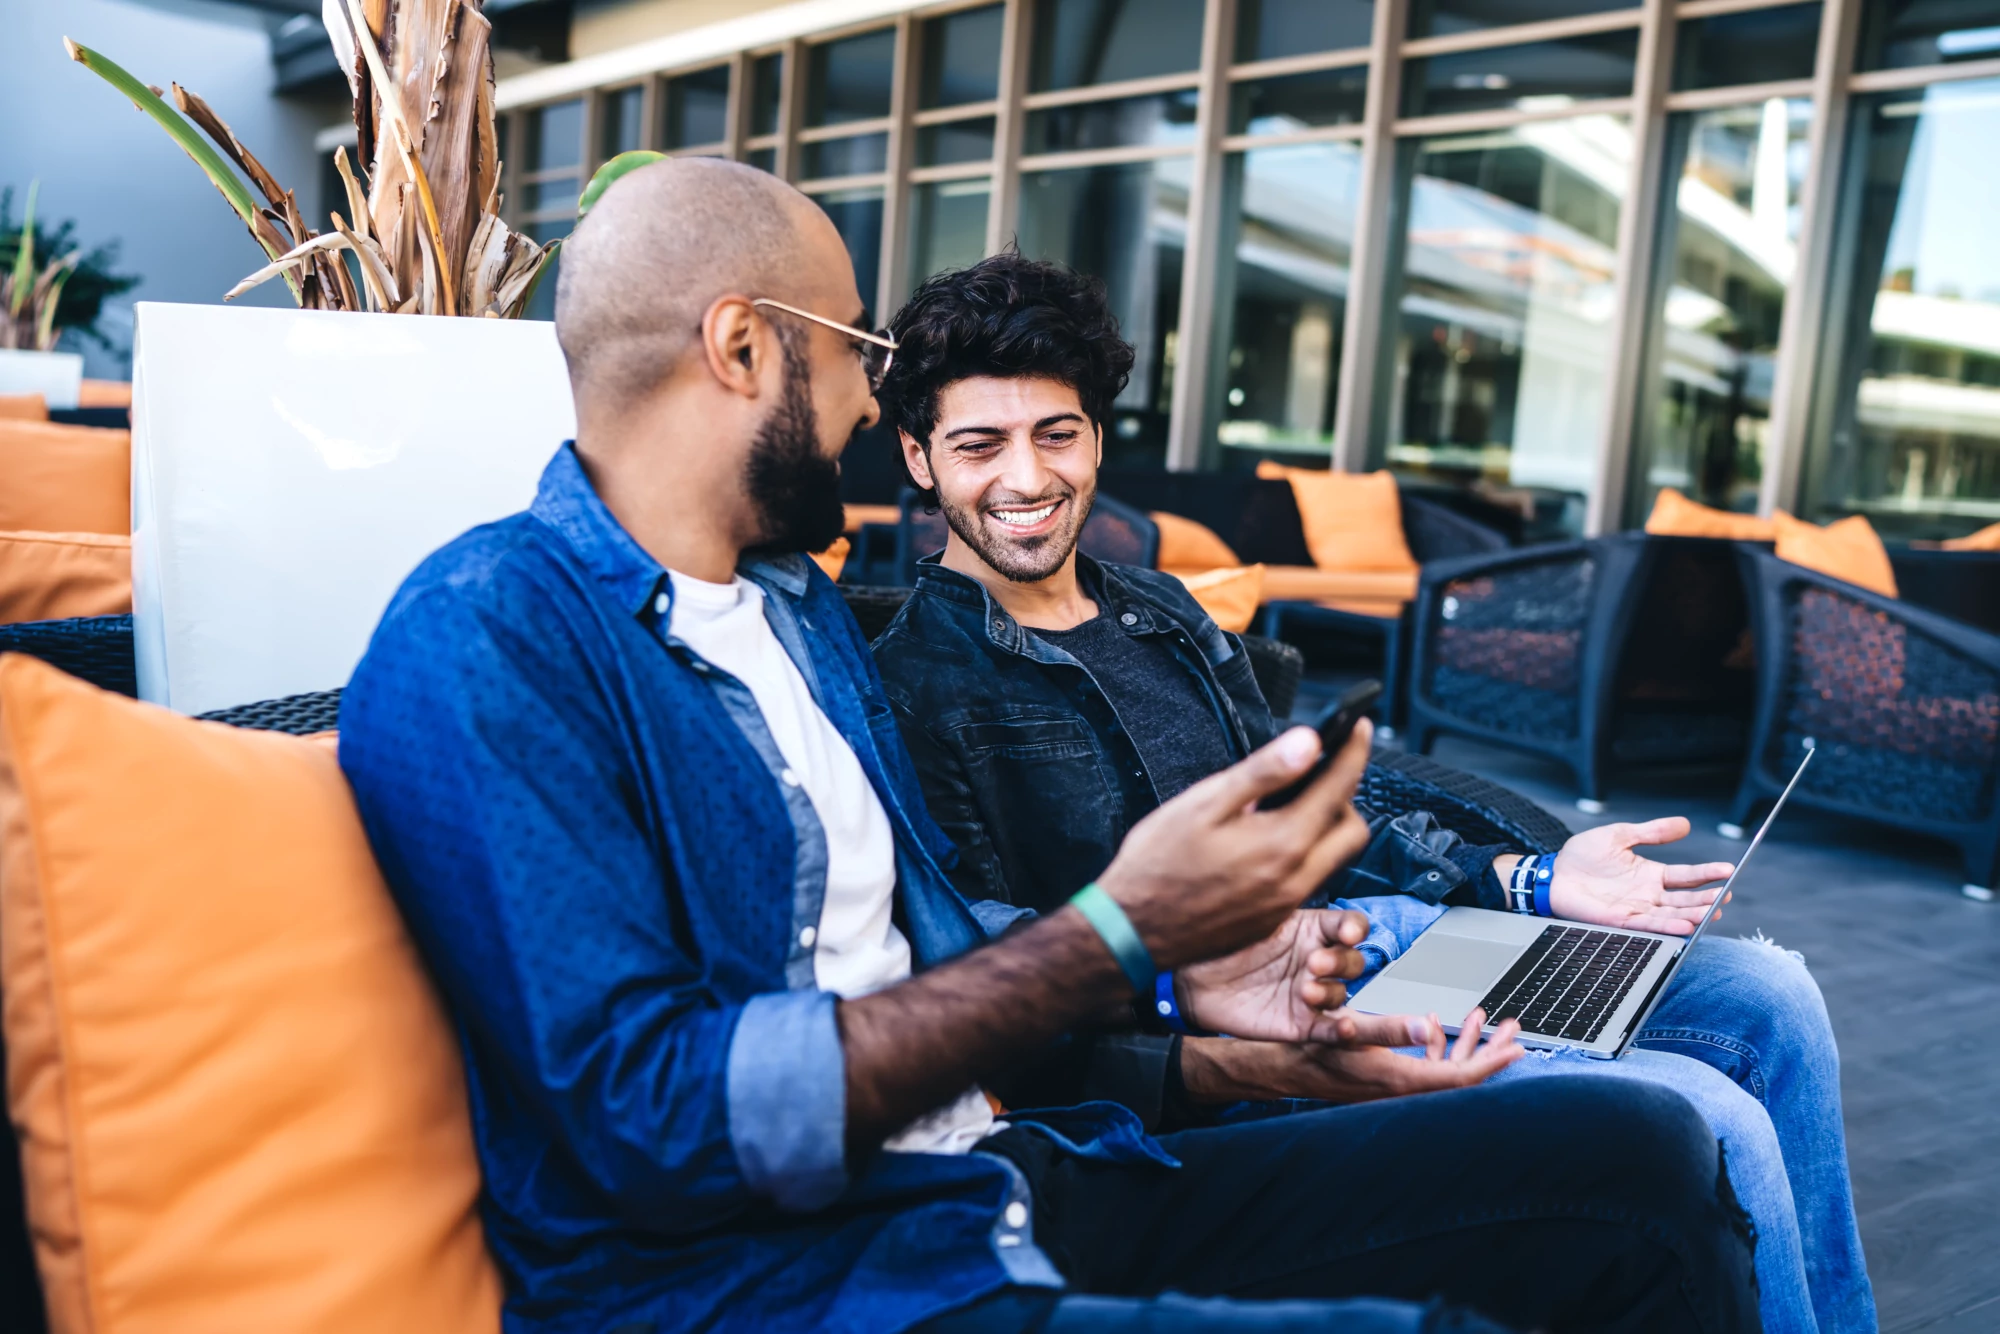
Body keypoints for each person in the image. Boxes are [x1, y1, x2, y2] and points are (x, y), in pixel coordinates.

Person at [337, 159, 1761, 1334]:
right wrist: (1117, 936)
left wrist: (1216, 1021)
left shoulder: (793, 611)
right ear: (744, 346)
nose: (865, 400)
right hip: (798, 1280)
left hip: (1015, 1172)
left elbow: (936, 953)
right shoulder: (492, 635)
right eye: (855, 351)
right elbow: (659, 1122)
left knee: (1638, 1161)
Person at [869, 252, 1875, 1334]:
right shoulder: (909, 679)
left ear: (1098, 438)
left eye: (1056, 434)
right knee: (1707, 1110)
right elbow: (984, 967)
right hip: (1263, 1018)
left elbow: (1319, 808)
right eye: (980, 445)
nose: (1027, 477)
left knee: (1771, 992)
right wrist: (1190, 1012)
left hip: (1373, 933)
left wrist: (1533, 875)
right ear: (919, 458)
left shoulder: (1161, 612)